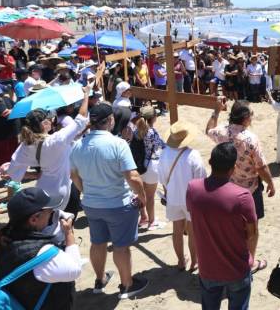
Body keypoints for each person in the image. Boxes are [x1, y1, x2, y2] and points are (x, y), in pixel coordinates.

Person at [69, 102, 149, 299]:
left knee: (97, 242)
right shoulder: (118, 144)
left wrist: (86, 191)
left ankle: (100, 279)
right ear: (111, 120)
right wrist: (142, 197)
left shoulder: (77, 146)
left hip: (92, 204)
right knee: (121, 246)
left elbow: (74, 176)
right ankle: (127, 284)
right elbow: (133, 177)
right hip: (117, 203)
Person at [206, 98, 275, 273]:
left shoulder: (222, 132)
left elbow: (208, 130)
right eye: (251, 114)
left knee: (233, 226)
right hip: (249, 189)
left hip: (227, 187)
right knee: (252, 228)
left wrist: (216, 111)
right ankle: (249, 262)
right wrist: (270, 182)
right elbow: (261, 167)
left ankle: (232, 257)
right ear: (245, 118)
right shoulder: (251, 139)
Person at [187, 142, 257, 310]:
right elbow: (252, 233)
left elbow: (193, 217)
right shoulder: (243, 196)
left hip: (208, 268)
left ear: (210, 162)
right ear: (233, 168)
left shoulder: (193, 189)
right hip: (237, 269)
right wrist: (251, 258)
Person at [0, 187, 82, 310]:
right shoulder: (43, 253)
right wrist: (68, 233)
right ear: (33, 219)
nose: (54, 213)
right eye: (50, 211)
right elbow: (75, 270)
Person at [2, 86, 90, 211]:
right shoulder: (57, 139)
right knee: (64, 220)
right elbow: (81, 119)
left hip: (41, 188)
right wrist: (86, 95)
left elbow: (12, 172)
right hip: (63, 189)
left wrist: (35, 174)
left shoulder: (26, 144)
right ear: (44, 124)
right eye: (49, 119)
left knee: (47, 221)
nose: (51, 120)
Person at [157, 120, 207, 271]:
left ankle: (180, 261)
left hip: (173, 197)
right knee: (192, 232)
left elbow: (162, 179)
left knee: (177, 231)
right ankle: (194, 261)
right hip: (191, 199)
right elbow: (201, 179)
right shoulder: (193, 155)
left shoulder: (164, 154)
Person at [133, 105, 165, 231]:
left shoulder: (137, 130)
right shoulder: (152, 132)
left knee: (141, 193)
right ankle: (152, 222)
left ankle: (143, 218)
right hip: (152, 166)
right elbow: (162, 145)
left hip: (140, 166)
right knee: (150, 196)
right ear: (153, 118)